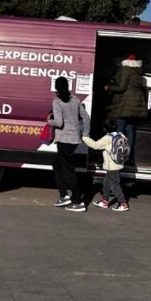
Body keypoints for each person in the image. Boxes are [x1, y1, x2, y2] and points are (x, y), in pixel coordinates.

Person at [49, 75, 90, 211]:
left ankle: (78, 201)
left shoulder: (57, 101)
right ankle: (64, 196)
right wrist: (85, 134)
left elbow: (59, 123)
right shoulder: (75, 99)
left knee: (68, 170)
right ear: (67, 86)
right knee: (57, 165)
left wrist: (48, 121)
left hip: (64, 140)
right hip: (74, 140)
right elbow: (86, 118)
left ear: (56, 87)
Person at [83, 120, 130, 212]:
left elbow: (95, 145)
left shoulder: (107, 138)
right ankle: (105, 201)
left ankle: (123, 203)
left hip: (112, 166)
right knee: (106, 183)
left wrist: (85, 138)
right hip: (118, 163)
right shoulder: (121, 135)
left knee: (114, 185)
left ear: (105, 129)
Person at [106, 54, 148, 157]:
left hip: (125, 104)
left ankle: (117, 154)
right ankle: (127, 155)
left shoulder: (125, 69)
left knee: (119, 129)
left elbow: (121, 87)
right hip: (135, 105)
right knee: (130, 129)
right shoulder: (138, 71)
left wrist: (108, 88)